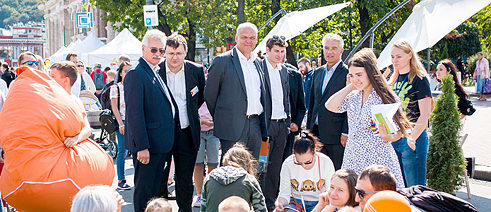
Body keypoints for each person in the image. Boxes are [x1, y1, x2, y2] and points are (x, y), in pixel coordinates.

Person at [325, 48, 407, 188]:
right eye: (351, 75)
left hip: (377, 160)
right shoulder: (353, 96)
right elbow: (330, 105)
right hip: (352, 158)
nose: (355, 79)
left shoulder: (385, 97)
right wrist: (351, 85)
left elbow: (398, 132)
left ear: (370, 73)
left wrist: (388, 137)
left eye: (359, 74)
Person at [124, 29, 178, 212]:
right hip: (148, 148)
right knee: (145, 195)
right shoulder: (136, 73)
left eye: (161, 51)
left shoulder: (154, 71)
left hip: (159, 145)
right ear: (143, 48)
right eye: (154, 50)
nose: (158, 54)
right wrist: (142, 147)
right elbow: (134, 114)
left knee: (154, 195)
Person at [204, 22, 268, 160]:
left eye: (252, 38)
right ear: (236, 38)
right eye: (244, 37)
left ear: (256, 40)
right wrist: (224, 117)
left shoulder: (259, 63)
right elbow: (210, 95)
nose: (248, 41)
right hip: (231, 127)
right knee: (232, 171)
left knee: (252, 170)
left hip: (255, 125)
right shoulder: (222, 61)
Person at [158, 33, 206, 212]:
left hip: (187, 132)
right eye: (170, 53)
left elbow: (199, 98)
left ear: (185, 52)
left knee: (185, 179)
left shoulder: (196, 71)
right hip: (162, 133)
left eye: (178, 53)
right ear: (165, 53)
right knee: (161, 178)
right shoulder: (157, 71)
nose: (174, 57)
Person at [389, 40, 432, 187]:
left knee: (414, 189)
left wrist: (412, 138)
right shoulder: (393, 80)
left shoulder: (420, 78)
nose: (395, 60)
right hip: (395, 138)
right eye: (392, 56)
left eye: (399, 56)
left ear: (409, 55)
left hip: (413, 138)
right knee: (399, 187)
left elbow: (425, 114)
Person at [306, 33, 348, 170]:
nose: (329, 52)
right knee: (317, 171)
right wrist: (308, 130)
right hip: (316, 133)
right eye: (326, 48)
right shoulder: (317, 73)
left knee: (336, 171)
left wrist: (345, 131)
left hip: (336, 135)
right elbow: (313, 103)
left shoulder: (347, 73)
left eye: (334, 48)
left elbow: (350, 105)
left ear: (341, 51)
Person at [260, 35, 291, 211]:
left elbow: (286, 97)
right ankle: (259, 202)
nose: (280, 55)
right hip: (266, 125)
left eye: (282, 51)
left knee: (275, 167)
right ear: (268, 50)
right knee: (261, 165)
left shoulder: (284, 70)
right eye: (276, 51)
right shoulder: (259, 68)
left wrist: (287, 121)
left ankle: (270, 203)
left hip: (281, 126)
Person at [275, 131, 335, 212]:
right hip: (296, 202)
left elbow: (330, 192)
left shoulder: (325, 162)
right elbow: (284, 194)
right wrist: (279, 204)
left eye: (308, 162)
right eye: (298, 162)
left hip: (320, 202)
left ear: (314, 152)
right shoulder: (288, 163)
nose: (304, 165)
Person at [201, 144, 267, 212]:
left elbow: (203, 208)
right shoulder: (249, 179)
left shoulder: (210, 177)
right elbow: (261, 209)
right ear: (247, 163)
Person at [49, 61, 92, 148]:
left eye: (53, 77)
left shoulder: (75, 101)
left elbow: (87, 128)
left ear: (65, 81)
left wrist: (76, 139)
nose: (49, 80)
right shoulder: (48, 99)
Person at [193, 101, 220, 207]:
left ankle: (210, 194)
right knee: (198, 164)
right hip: (198, 129)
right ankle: (199, 195)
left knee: (213, 165)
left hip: (214, 130)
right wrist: (201, 121)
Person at [112, 61, 132, 190]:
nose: (128, 74)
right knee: (122, 151)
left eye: (130, 71)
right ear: (120, 73)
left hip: (134, 122)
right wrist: (120, 123)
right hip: (123, 121)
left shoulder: (134, 86)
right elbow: (114, 106)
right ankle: (121, 179)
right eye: (125, 71)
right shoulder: (116, 87)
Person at [283, 64, 306, 162]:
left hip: (289, 128)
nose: (280, 54)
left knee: (285, 161)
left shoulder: (295, 76)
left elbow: (301, 104)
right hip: (269, 129)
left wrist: (296, 123)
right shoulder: (262, 71)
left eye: (282, 51)